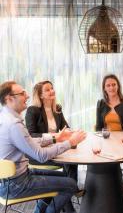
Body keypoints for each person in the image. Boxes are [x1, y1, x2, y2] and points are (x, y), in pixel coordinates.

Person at [0, 81, 86, 213]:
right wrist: (70, 143)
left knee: (64, 176)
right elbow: (41, 156)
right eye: (22, 93)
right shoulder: (14, 124)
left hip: (13, 179)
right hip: (16, 184)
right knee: (71, 185)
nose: (27, 96)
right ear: (9, 99)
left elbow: (30, 140)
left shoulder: (6, 117)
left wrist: (55, 137)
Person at [25, 80, 79, 212]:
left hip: (56, 150)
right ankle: (70, 195)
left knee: (73, 162)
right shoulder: (33, 110)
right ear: (41, 95)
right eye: (48, 90)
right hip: (39, 153)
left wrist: (71, 133)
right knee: (67, 171)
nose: (52, 91)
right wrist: (56, 137)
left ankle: (69, 192)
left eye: (52, 88)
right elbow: (32, 136)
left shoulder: (57, 108)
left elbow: (65, 128)